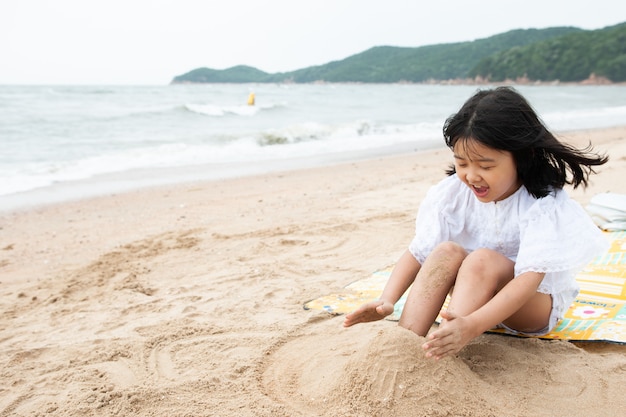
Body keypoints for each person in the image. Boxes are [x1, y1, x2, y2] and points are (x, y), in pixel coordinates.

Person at [343, 86, 609, 360]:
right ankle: (406, 346)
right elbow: (419, 252)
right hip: (472, 297)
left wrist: (472, 326)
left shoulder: (540, 203)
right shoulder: (451, 194)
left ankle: (443, 351)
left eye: (485, 166)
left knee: (481, 259)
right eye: (462, 163)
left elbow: (529, 281)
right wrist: (387, 300)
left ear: (522, 156)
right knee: (446, 251)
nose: (471, 176)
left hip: (531, 307)